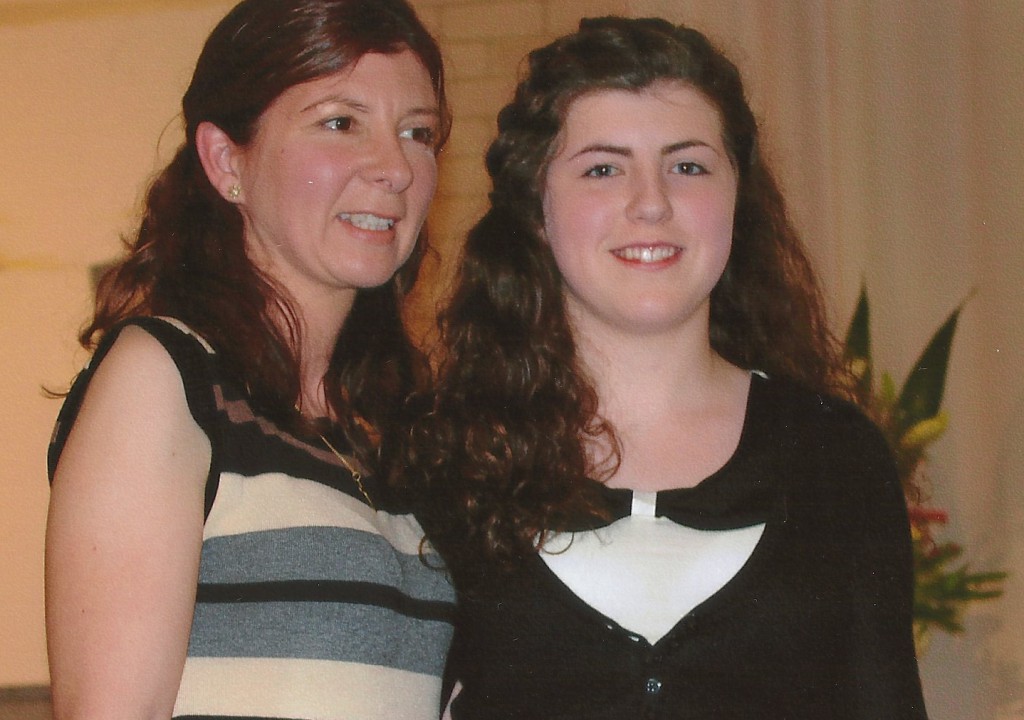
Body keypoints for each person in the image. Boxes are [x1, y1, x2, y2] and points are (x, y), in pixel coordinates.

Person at [414, 16, 928, 720]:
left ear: (738, 199)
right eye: (602, 168)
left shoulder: (836, 459)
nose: (650, 202)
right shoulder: (445, 460)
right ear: (536, 210)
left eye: (688, 166)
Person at [44, 1, 455, 718]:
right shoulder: (166, 377)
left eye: (417, 132)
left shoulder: (385, 425)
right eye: (340, 122)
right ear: (226, 160)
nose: (395, 167)